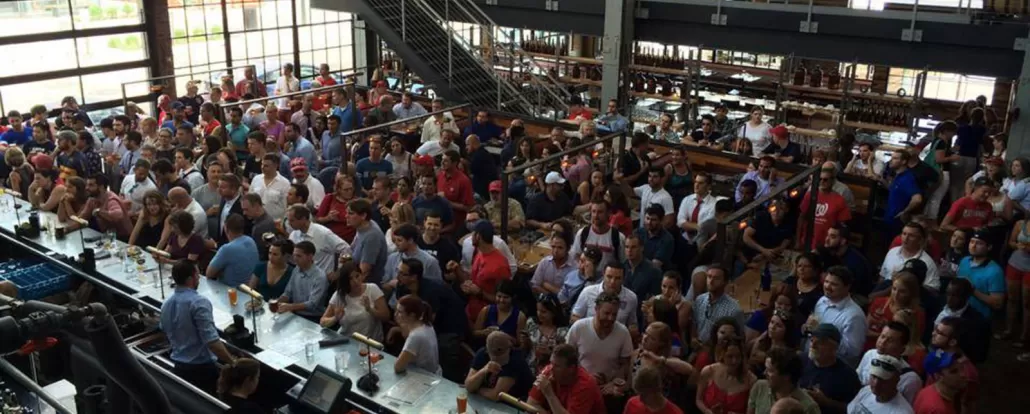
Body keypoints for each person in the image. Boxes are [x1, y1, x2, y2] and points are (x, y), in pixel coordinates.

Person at [161, 261, 236, 395]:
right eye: (198, 275)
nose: (199, 278)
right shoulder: (199, 302)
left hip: (179, 367)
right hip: (202, 371)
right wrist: (232, 362)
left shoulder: (166, 303)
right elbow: (212, 342)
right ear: (190, 279)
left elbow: (164, 329)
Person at [566, 293, 634, 406]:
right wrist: (585, 378)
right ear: (596, 309)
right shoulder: (579, 327)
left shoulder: (623, 332)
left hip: (608, 390)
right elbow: (567, 359)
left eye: (614, 314)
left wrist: (614, 383)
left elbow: (625, 364)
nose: (610, 318)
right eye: (606, 313)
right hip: (580, 385)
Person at [452, 221, 512, 322]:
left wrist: (480, 293)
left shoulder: (500, 266)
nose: (470, 237)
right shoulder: (479, 253)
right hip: (471, 312)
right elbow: (473, 280)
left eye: (472, 234)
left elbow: (506, 301)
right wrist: (457, 269)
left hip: (488, 319)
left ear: (478, 236)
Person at [807, 266, 867, 367]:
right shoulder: (822, 301)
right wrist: (807, 327)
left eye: (834, 284)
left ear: (847, 287)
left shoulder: (854, 316)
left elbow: (853, 351)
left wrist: (826, 337)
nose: (827, 286)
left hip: (833, 367)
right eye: (826, 282)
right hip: (812, 360)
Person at [799, 324, 862, 414]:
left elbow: (854, 409)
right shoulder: (801, 360)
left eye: (820, 342)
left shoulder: (848, 376)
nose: (813, 345)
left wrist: (826, 402)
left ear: (834, 348)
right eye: (812, 340)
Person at [320, 260, 389, 341]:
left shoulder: (372, 289)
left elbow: (386, 317)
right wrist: (335, 318)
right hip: (345, 340)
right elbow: (322, 322)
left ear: (361, 275)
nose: (356, 281)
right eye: (350, 279)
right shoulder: (339, 295)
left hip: (369, 343)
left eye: (357, 276)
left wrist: (370, 310)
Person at [856, 322, 923, 405]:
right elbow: (857, 380)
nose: (883, 342)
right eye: (882, 336)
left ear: (902, 349)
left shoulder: (910, 379)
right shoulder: (869, 354)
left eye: (890, 340)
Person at [528, 344, 606, 414]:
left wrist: (549, 394)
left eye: (557, 366)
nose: (551, 368)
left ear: (571, 368)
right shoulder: (548, 371)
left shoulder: (586, 384)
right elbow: (530, 404)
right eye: (551, 363)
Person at [466, 330, 536, 400]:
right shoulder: (482, 354)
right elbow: (469, 385)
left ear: (509, 348)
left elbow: (496, 395)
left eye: (501, 356)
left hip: (518, 402)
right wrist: (484, 370)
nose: (497, 362)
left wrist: (477, 389)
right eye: (494, 357)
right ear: (487, 350)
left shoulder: (515, 360)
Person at [747, 347, 820, 414]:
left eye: (770, 370)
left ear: (786, 376)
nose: (764, 373)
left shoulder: (809, 407)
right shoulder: (759, 388)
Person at [865, 272, 925, 351]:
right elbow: (865, 330)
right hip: (870, 348)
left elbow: (913, 341)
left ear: (911, 293)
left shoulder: (916, 314)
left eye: (902, 291)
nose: (896, 294)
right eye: (894, 289)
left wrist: (886, 333)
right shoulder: (879, 302)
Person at [697, 337, 756, 414]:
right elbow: (699, 400)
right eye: (730, 356)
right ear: (722, 355)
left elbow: (752, 411)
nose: (734, 361)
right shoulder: (709, 371)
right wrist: (709, 412)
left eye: (738, 356)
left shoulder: (751, 380)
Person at [572, 264, 639, 332]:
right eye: (609, 277)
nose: (612, 282)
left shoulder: (631, 298)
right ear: (603, 275)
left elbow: (632, 323)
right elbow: (574, 317)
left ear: (623, 279)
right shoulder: (588, 292)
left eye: (617, 278)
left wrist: (631, 330)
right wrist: (591, 331)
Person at [288, 204, 351, 276]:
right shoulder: (293, 235)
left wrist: (339, 272)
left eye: (292, 220)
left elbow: (346, 248)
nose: (289, 223)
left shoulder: (323, 233)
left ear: (303, 219)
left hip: (323, 279)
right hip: (301, 278)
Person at [798, 167, 852, 250]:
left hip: (827, 245)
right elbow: (801, 217)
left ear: (832, 181)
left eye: (825, 179)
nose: (822, 182)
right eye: (820, 179)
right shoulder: (809, 195)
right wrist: (797, 240)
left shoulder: (840, 200)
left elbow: (842, 226)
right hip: (807, 240)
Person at [880, 222, 941, 293]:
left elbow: (933, 290)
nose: (906, 238)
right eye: (904, 234)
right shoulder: (892, 252)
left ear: (920, 240)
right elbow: (882, 277)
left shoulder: (927, 262)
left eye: (911, 235)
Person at [275, 240, 328, 320]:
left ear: (310, 257)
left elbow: (312, 304)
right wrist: (278, 302)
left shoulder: (320, 277)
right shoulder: (296, 269)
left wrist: (290, 307)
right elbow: (288, 292)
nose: (295, 259)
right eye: (294, 255)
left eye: (299, 256)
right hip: (295, 313)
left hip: (313, 317)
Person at [820, 224, 875, 297]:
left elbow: (849, 289)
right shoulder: (829, 253)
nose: (827, 239)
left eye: (832, 237)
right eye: (827, 235)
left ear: (843, 241)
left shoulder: (854, 262)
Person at [847, 354, 914, 414]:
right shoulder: (866, 390)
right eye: (874, 376)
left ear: (896, 380)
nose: (876, 383)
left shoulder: (903, 412)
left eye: (883, 380)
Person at [206, 214, 260, 287]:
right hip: (249, 290)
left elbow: (209, 274)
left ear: (226, 228)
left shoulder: (226, 249)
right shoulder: (251, 241)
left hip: (229, 290)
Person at [73, 174, 132, 239]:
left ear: (101, 187)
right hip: (107, 236)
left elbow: (118, 215)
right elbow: (82, 218)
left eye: (91, 185)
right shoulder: (92, 199)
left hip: (123, 239)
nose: (86, 188)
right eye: (87, 185)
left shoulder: (111, 199)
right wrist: (67, 229)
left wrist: (99, 212)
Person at [393, 294, 441, 374]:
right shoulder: (426, 324)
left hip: (424, 376)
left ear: (412, 315)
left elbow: (398, 367)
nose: (395, 314)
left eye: (400, 312)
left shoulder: (416, 336)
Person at [693, 266, 744, 342]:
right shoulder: (699, 300)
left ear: (725, 282)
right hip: (698, 345)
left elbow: (739, 337)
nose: (711, 281)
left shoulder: (734, 310)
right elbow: (694, 324)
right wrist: (693, 338)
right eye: (709, 277)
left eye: (716, 278)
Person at [522, 293, 570, 372]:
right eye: (538, 310)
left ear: (553, 312)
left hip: (551, 370)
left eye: (543, 312)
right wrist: (525, 342)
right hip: (529, 368)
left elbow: (564, 356)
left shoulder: (563, 332)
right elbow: (524, 348)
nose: (539, 314)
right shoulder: (531, 324)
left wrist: (550, 353)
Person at [885, 149, 924, 241]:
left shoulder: (907, 178)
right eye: (892, 158)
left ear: (903, 161)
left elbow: (917, 199)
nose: (891, 160)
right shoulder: (898, 176)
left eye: (895, 158)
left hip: (897, 223)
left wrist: (905, 212)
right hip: (889, 219)